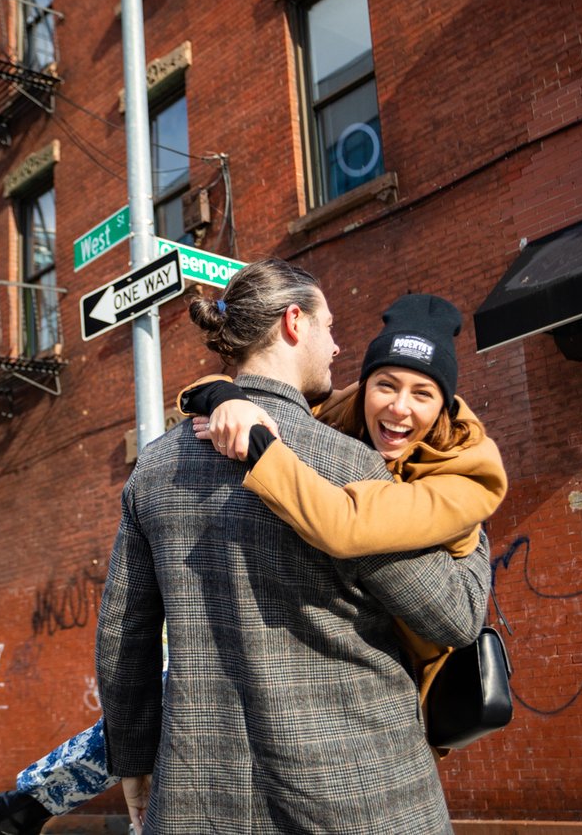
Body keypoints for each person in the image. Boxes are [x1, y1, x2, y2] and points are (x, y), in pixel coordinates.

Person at [0, 291, 506, 834]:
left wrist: (255, 443)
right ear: (294, 322)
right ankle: (19, 808)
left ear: (445, 402)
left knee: (166, 687)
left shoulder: (457, 466)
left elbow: (125, 632)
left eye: (423, 393)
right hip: (360, 778)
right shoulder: (348, 440)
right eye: (385, 383)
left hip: (207, 785)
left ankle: (17, 810)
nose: (399, 406)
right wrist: (219, 395)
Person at [94, 259, 489, 833]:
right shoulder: (351, 465)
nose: (336, 347)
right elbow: (454, 615)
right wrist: (472, 514)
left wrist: (132, 758)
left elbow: (123, 633)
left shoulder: (154, 468)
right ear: (294, 322)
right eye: (330, 327)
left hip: (200, 797)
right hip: (362, 789)